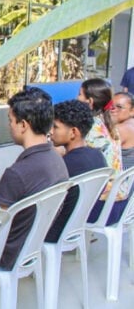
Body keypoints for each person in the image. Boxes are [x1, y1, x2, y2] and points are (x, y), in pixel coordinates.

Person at [0, 87, 69, 270]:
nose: (9, 126)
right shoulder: (56, 159)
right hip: (33, 245)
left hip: (8, 255)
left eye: (10, 120)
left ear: (23, 125)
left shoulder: (17, 173)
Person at [45, 99, 107, 242]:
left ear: (73, 132)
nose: (51, 131)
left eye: (55, 127)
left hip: (54, 231)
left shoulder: (63, 166)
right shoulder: (97, 156)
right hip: (77, 225)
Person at [77, 78, 122, 175]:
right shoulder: (108, 123)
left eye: (80, 94)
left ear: (90, 102)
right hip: (117, 186)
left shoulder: (92, 128)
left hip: (103, 187)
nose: (76, 98)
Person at [110, 92, 134, 169]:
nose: (112, 109)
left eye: (119, 107)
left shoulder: (121, 129)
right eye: (110, 106)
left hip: (123, 177)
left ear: (132, 111)